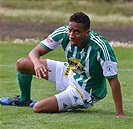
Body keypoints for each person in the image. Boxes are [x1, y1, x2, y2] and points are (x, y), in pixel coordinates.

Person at [0, 12, 131, 118]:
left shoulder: (101, 47)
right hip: (70, 71)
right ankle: (24, 100)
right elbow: (34, 52)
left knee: (38, 107)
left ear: (87, 32)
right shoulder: (63, 32)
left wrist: (119, 113)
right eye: (70, 30)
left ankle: (65, 104)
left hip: (86, 91)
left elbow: (113, 80)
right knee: (22, 64)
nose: (71, 35)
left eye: (77, 32)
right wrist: (37, 64)